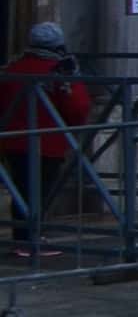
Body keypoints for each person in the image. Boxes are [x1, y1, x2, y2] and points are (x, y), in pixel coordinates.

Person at [2, 19, 93, 257]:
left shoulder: (13, 67)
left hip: (14, 140)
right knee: (40, 191)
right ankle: (29, 239)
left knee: (21, 189)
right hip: (47, 141)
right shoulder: (58, 72)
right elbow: (78, 107)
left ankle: (23, 237)